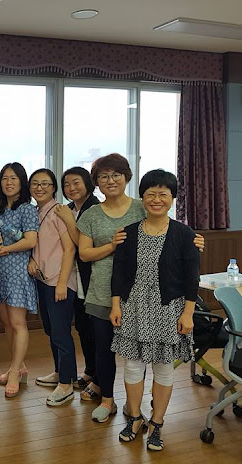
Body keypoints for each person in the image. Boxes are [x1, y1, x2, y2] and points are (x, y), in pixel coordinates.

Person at [77, 153, 204, 423]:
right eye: (103, 176)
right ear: (96, 181)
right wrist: (112, 246)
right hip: (112, 295)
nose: (110, 180)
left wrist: (194, 241)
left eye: (116, 175)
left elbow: (174, 240)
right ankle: (113, 402)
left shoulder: (145, 208)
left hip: (158, 302)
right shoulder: (95, 216)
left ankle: (142, 411)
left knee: (151, 358)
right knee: (110, 353)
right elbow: (87, 255)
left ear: (127, 178)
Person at [110, 169, 198, 451]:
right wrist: (116, 305)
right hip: (133, 306)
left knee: (163, 367)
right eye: (151, 194)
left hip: (169, 309)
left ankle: (157, 423)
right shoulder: (128, 233)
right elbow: (118, 272)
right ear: (143, 197)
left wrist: (188, 313)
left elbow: (192, 278)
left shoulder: (184, 234)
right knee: (133, 365)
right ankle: (135, 417)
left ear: (172, 198)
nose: (156, 199)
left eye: (163, 194)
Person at [0, 162, 39, 399]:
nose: (9, 182)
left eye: (14, 178)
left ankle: (15, 373)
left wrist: (5, 250)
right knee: (7, 324)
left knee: (18, 324)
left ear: (22, 182)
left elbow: (30, 241)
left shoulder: (27, 209)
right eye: (5, 178)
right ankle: (17, 367)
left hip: (18, 272)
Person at [28, 168, 77, 406]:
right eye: (35, 183)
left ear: (54, 188)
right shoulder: (36, 211)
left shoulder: (59, 211)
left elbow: (70, 248)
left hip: (60, 281)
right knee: (50, 329)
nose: (40, 188)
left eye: (45, 183)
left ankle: (66, 385)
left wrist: (62, 283)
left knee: (61, 332)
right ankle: (60, 372)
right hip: (43, 279)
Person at [54, 167, 99, 395]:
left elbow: (82, 245)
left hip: (95, 278)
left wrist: (68, 220)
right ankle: (90, 370)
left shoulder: (95, 208)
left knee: (96, 330)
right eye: (67, 184)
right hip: (78, 279)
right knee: (82, 327)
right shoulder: (71, 208)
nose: (71, 188)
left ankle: (99, 379)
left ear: (88, 183)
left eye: (76, 182)